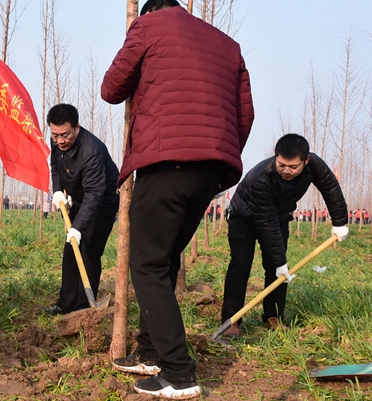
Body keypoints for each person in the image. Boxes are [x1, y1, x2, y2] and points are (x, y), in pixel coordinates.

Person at [101, 0, 254, 398]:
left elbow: (111, 88)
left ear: (150, 12)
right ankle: (150, 351)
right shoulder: (228, 44)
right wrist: (217, 153)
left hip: (167, 159)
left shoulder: (148, 27)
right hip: (211, 168)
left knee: (147, 264)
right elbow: (244, 115)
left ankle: (178, 372)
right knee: (164, 259)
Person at [221, 134, 348, 337]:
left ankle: (273, 317)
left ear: (306, 161)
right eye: (282, 165)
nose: (287, 171)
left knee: (276, 269)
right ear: (276, 157)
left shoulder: (314, 165)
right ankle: (231, 321)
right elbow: (266, 222)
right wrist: (280, 260)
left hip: (277, 216)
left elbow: (331, 188)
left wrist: (340, 222)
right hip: (243, 217)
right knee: (240, 264)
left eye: (293, 167)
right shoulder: (262, 177)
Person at [44, 103, 119, 316]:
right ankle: (65, 303)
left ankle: (84, 306)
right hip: (79, 199)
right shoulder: (56, 140)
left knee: (88, 249)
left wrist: (78, 227)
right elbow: (56, 167)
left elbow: (95, 193)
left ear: (77, 127)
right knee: (71, 248)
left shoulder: (92, 150)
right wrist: (58, 190)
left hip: (103, 200)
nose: (60, 141)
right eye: (55, 135)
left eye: (65, 135)